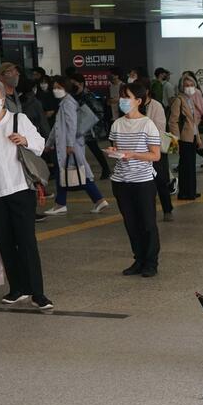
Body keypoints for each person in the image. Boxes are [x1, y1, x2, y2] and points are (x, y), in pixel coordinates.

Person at [0, 77, 51, 310]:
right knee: (4, 242)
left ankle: (38, 292)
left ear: (3, 99)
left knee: (26, 241)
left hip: (19, 189)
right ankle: (17, 288)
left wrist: (24, 140)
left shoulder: (18, 119)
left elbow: (39, 143)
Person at [106, 82, 162, 277]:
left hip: (143, 181)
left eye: (126, 97)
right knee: (131, 223)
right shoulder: (117, 124)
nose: (122, 100)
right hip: (121, 181)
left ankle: (151, 262)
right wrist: (113, 151)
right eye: (122, 96)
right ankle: (138, 259)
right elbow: (116, 147)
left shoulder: (148, 124)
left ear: (138, 101)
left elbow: (155, 156)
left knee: (147, 223)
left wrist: (133, 155)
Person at [43, 76, 109, 216]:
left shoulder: (68, 104)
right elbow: (57, 127)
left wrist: (69, 144)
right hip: (67, 145)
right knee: (68, 173)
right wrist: (49, 143)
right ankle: (62, 204)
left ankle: (96, 200)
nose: (56, 90)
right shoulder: (65, 103)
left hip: (70, 146)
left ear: (66, 88)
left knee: (77, 174)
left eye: (59, 88)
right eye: (54, 87)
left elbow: (71, 125)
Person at [142, 79, 174, 222]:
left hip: (155, 148)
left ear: (147, 91)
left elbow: (160, 128)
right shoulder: (134, 106)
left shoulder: (156, 106)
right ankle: (148, 211)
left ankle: (167, 209)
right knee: (145, 183)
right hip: (139, 150)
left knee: (160, 180)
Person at [69, 73, 111, 181]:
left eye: (75, 83)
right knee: (79, 152)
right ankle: (80, 176)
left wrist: (90, 123)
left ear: (81, 84)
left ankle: (104, 169)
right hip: (77, 128)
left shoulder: (88, 96)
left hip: (88, 129)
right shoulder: (72, 96)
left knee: (94, 149)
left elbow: (99, 112)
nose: (72, 86)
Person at [169, 73, 200, 200]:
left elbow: (193, 121)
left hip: (191, 136)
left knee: (191, 165)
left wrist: (198, 138)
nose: (190, 87)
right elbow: (173, 121)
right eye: (187, 85)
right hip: (183, 138)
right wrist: (175, 141)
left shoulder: (190, 100)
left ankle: (191, 190)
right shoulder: (179, 100)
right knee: (185, 166)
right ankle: (184, 193)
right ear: (182, 87)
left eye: (192, 85)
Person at [181, 71, 203, 169]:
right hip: (188, 118)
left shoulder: (197, 92)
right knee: (191, 140)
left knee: (191, 139)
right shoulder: (182, 94)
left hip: (196, 117)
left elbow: (201, 105)